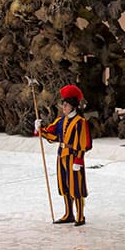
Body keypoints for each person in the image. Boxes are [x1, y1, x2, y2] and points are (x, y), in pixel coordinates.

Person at [36, 85, 93, 226]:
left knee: (76, 187)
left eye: (66, 105)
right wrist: (40, 129)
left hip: (74, 157)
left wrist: (79, 159)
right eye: (64, 104)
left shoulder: (80, 122)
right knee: (64, 186)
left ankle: (80, 216)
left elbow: (84, 142)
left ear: (73, 106)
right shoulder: (61, 120)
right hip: (61, 156)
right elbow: (53, 134)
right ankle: (68, 214)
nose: (64, 107)